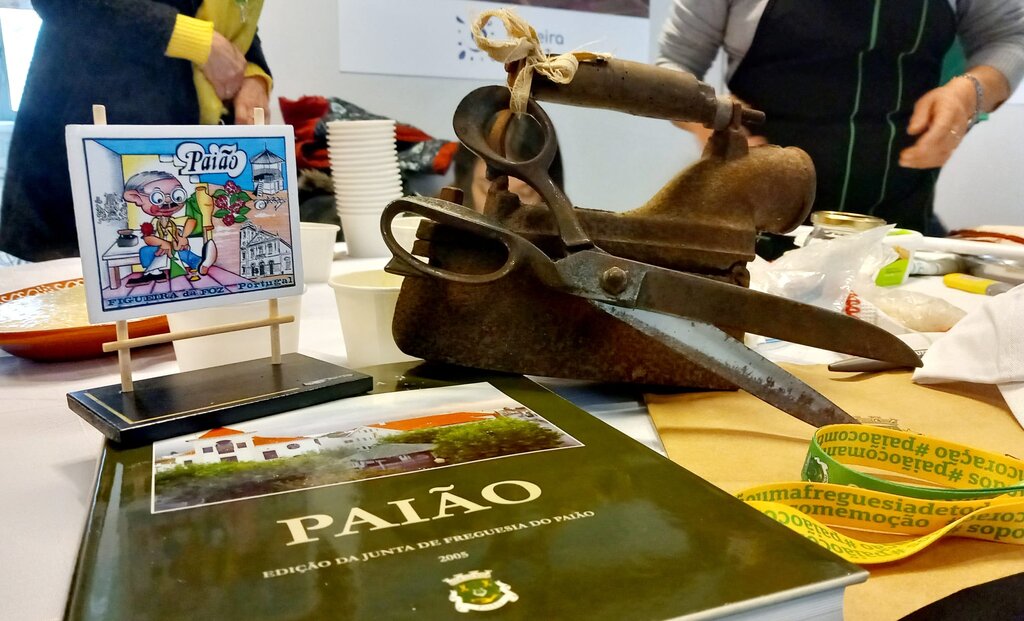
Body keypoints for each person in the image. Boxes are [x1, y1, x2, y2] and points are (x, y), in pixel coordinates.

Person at [656, 1, 1024, 236]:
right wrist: (710, 116)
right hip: (749, 234)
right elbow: (673, 65)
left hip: (896, 234)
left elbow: (1010, 38)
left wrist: (969, 93)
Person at [0, 0, 272, 263]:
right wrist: (191, 39)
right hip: (85, 130)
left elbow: (232, 14)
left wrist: (253, 71)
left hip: (191, 146)